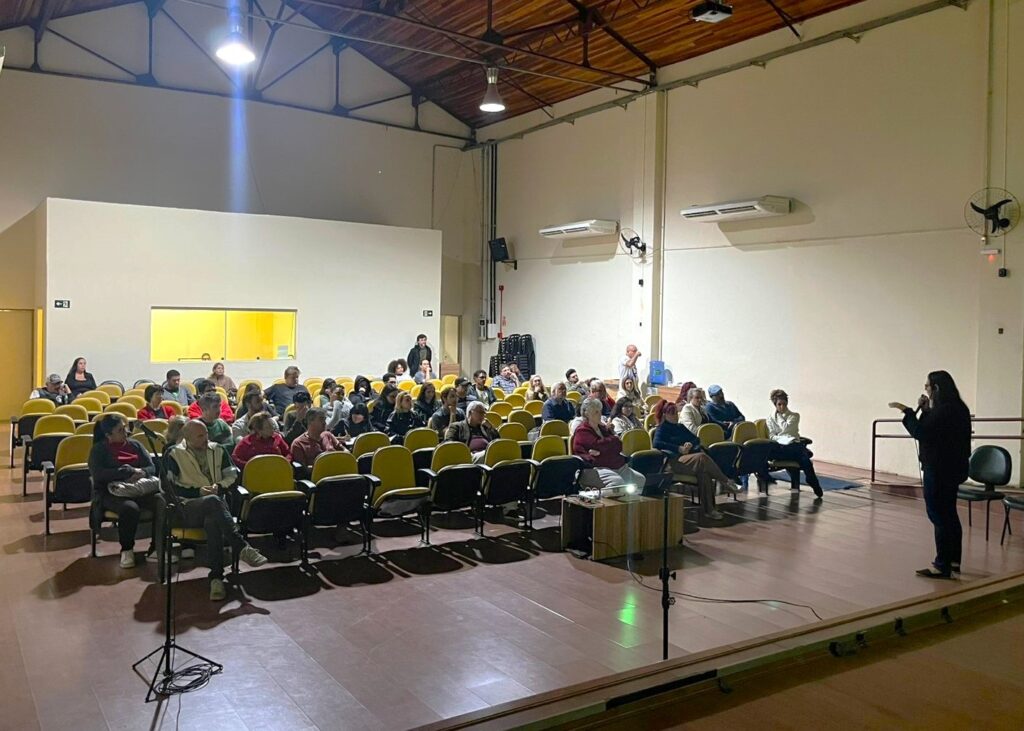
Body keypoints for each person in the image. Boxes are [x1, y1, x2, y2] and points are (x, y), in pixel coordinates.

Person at [166, 419, 268, 600]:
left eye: (206, 434)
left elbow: (232, 475)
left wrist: (219, 487)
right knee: (212, 502)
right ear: (187, 438)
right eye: (200, 436)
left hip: (216, 507)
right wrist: (197, 491)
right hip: (187, 507)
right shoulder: (174, 454)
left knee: (213, 519)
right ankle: (241, 546)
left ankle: (216, 579)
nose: (206, 438)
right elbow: (167, 487)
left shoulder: (218, 450)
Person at [890, 371, 971, 579]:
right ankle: (954, 562)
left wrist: (908, 413)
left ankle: (942, 565)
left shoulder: (944, 411)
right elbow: (930, 428)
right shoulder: (958, 408)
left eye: (927, 386)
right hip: (953, 469)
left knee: (938, 515)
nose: (925, 390)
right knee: (950, 514)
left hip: (939, 469)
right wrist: (925, 411)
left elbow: (922, 433)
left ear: (935, 388)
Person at [88, 414, 165, 569]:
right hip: (112, 492)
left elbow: (151, 467)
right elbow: (99, 474)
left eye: (125, 428)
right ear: (108, 435)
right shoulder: (99, 450)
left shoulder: (135, 445)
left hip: (139, 488)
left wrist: (141, 472)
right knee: (129, 508)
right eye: (120, 430)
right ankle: (127, 549)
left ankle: (156, 547)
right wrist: (124, 473)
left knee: (162, 502)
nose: (126, 432)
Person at [652, 400, 738, 520]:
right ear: (665, 415)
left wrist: (689, 445)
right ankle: (725, 481)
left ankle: (710, 510)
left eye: (676, 413)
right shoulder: (662, 428)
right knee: (702, 458)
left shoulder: (680, 427)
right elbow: (656, 443)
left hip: (687, 459)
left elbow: (696, 439)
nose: (675, 416)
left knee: (704, 473)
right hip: (673, 462)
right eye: (672, 414)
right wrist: (678, 448)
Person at [573, 399, 645, 490]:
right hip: (594, 468)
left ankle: (632, 503)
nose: (599, 414)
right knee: (617, 483)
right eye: (596, 412)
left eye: (600, 411)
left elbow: (619, 444)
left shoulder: (603, 428)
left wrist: (604, 448)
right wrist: (609, 444)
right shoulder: (582, 430)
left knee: (640, 480)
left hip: (614, 464)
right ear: (587, 414)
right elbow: (599, 445)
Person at [765, 389, 823, 498]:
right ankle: (812, 479)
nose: (782, 407)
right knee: (802, 455)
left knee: (803, 457)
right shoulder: (770, 418)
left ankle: (812, 480)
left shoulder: (794, 416)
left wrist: (780, 418)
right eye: (779, 404)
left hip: (792, 446)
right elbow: (772, 435)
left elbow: (786, 428)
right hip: (782, 448)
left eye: (784, 404)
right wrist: (782, 437)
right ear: (775, 405)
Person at [290, 408, 345, 472]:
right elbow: (303, 469)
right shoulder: (298, 444)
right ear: (310, 421)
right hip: (319, 477)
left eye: (325, 419)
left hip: (338, 472)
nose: (324, 423)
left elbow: (345, 451)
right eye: (321, 419)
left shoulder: (327, 435)